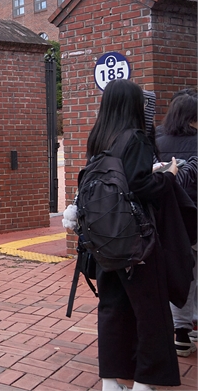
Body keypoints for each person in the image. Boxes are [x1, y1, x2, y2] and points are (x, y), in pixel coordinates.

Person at [86, 80, 189, 391]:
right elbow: (141, 187)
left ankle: (110, 382)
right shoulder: (136, 139)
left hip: (104, 240)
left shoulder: (98, 136)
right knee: (151, 312)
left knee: (112, 310)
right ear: (132, 105)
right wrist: (168, 175)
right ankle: (145, 382)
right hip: (137, 241)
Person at [156, 91, 198, 357]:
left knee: (177, 272)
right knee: (193, 273)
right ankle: (188, 327)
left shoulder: (156, 140)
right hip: (194, 216)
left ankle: (181, 330)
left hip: (167, 220)